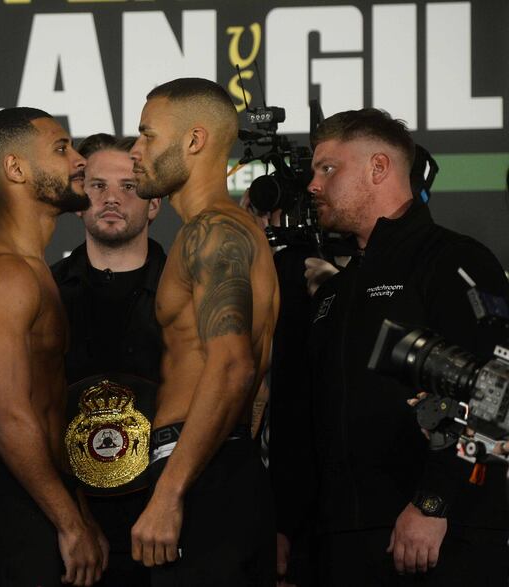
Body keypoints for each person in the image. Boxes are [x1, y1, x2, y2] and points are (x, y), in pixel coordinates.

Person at [286, 108, 509, 585]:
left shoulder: (455, 259)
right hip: (339, 540)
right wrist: (292, 528)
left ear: (379, 168)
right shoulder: (334, 291)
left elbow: (499, 386)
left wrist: (434, 502)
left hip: (441, 537)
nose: (312, 184)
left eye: (327, 168)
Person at [0, 107, 107, 587]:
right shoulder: (3, 273)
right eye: (62, 149)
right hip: (8, 499)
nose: (80, 160)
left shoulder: (34, 270)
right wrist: (69, 522)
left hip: (39, 490)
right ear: (15, 169)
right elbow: (10, 415)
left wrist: (76, 508)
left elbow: (49, 407)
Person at [128, 77, 279, 585]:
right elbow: (257, 377)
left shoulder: (213, 232)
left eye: (147, 135)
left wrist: (170, 493)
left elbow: (235, 365)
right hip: (219, 464)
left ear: (194, 141)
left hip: (197, 475)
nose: (135, 150)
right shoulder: (228, 228)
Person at [51, 133, 164, 586]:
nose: (112, 198)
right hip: (70, 526)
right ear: (79, 201)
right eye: (97, 186)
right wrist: (70, 518)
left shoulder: (191, 293)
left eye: (130, 187)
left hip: (169, 522)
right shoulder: (42, 292)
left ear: (155, 204)